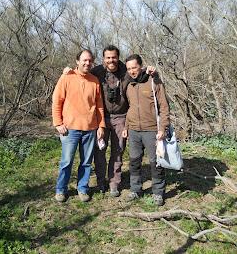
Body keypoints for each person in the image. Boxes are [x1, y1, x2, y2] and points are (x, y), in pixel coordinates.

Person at [63, 45, 156, 197]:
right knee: (99, 151)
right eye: (107, 57)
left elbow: (139, 73)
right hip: (101, 118)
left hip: (121, 117)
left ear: (118, 57)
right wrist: (69, 70)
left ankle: (114, 182)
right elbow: (82, 73)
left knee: (117, 152)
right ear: (103, 58)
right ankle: (101, 182)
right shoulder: (97, 71)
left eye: (113, 57)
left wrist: (151, 71)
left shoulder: (126, 72)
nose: (111, 60)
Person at [52, 49, 105, 202]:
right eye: (84, 60)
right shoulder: (67, 77)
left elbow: (99, 105)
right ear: (77, 61)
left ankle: (82, 188)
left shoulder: (94, 80)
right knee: (66, 162)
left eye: (90, 60)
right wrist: (58, 123)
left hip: (90, 128)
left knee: (86, 163)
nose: (87, 63)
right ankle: (61, 190)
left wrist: (101, 125)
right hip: (70, 129)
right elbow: (57, 101)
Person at [121, 54, 170, 206]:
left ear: (141, 66)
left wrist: (162, 128)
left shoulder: (153, 81)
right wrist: (126, 127)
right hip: (134, 130)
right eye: (129, 69)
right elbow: (130, 108)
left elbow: (164, 107)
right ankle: (136, 189)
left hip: (152, 130)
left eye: (134, 67)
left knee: (156, 162)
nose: (132, 71)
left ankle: (158, 192)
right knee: (134, 161)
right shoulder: (129, 84)